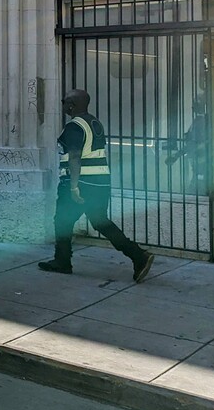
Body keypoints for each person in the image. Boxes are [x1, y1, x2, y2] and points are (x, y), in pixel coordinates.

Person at [39, 89, 154, 282]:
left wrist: (74, 187)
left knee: (62, 221)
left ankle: (62, 262)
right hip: (100, 182)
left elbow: (75, 157)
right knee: (100, 221)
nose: (63, 105)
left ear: (72, 105)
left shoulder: (74, 126)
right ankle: (138, 255)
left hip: (80, 183)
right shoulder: (94, 123)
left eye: (64, 101)